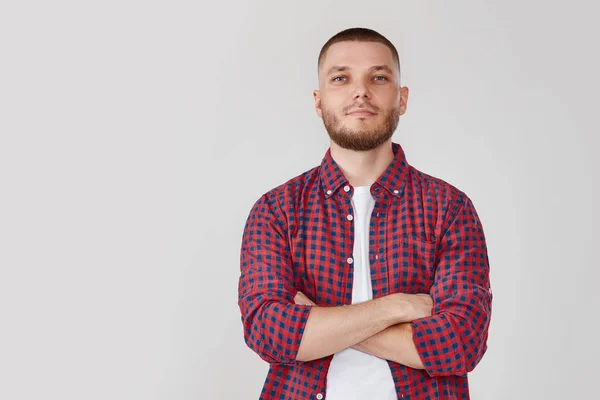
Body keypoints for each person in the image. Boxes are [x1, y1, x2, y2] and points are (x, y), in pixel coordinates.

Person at [237, 27, 492, 400]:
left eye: (379, 77)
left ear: (402, 98)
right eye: (341, 78)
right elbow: (270, 334)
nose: (361, 91)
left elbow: (459, 343)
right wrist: (398, 307)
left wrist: (321, 320)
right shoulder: (277, 210)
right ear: (318, 100)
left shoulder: (448, 207)